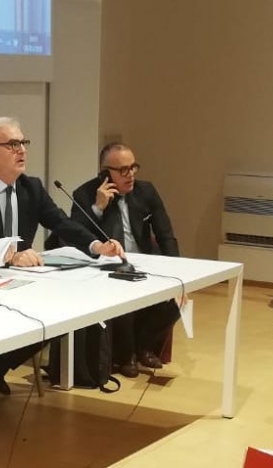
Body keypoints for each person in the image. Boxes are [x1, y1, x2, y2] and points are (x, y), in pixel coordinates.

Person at [0, 117, 126, 395]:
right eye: (12, 144)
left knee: (56, 320)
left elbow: (60, 222)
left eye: (23, 143)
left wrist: (97, 245)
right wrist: (8, 257)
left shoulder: (31, 187)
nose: (22, 150)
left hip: (22, 282)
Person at [70, 142, 182, 378]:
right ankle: (125, 355)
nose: (130, 174)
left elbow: (165, 234)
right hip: (106, 269)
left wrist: (177, 272)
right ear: (105, 173)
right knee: (124, 297)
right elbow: (75, 235)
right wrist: (98, 208)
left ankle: (142, 346)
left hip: (144, 265)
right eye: (123, 170)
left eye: (133, 167)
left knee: (176, 302)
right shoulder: (84, 194)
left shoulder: (146, 191)